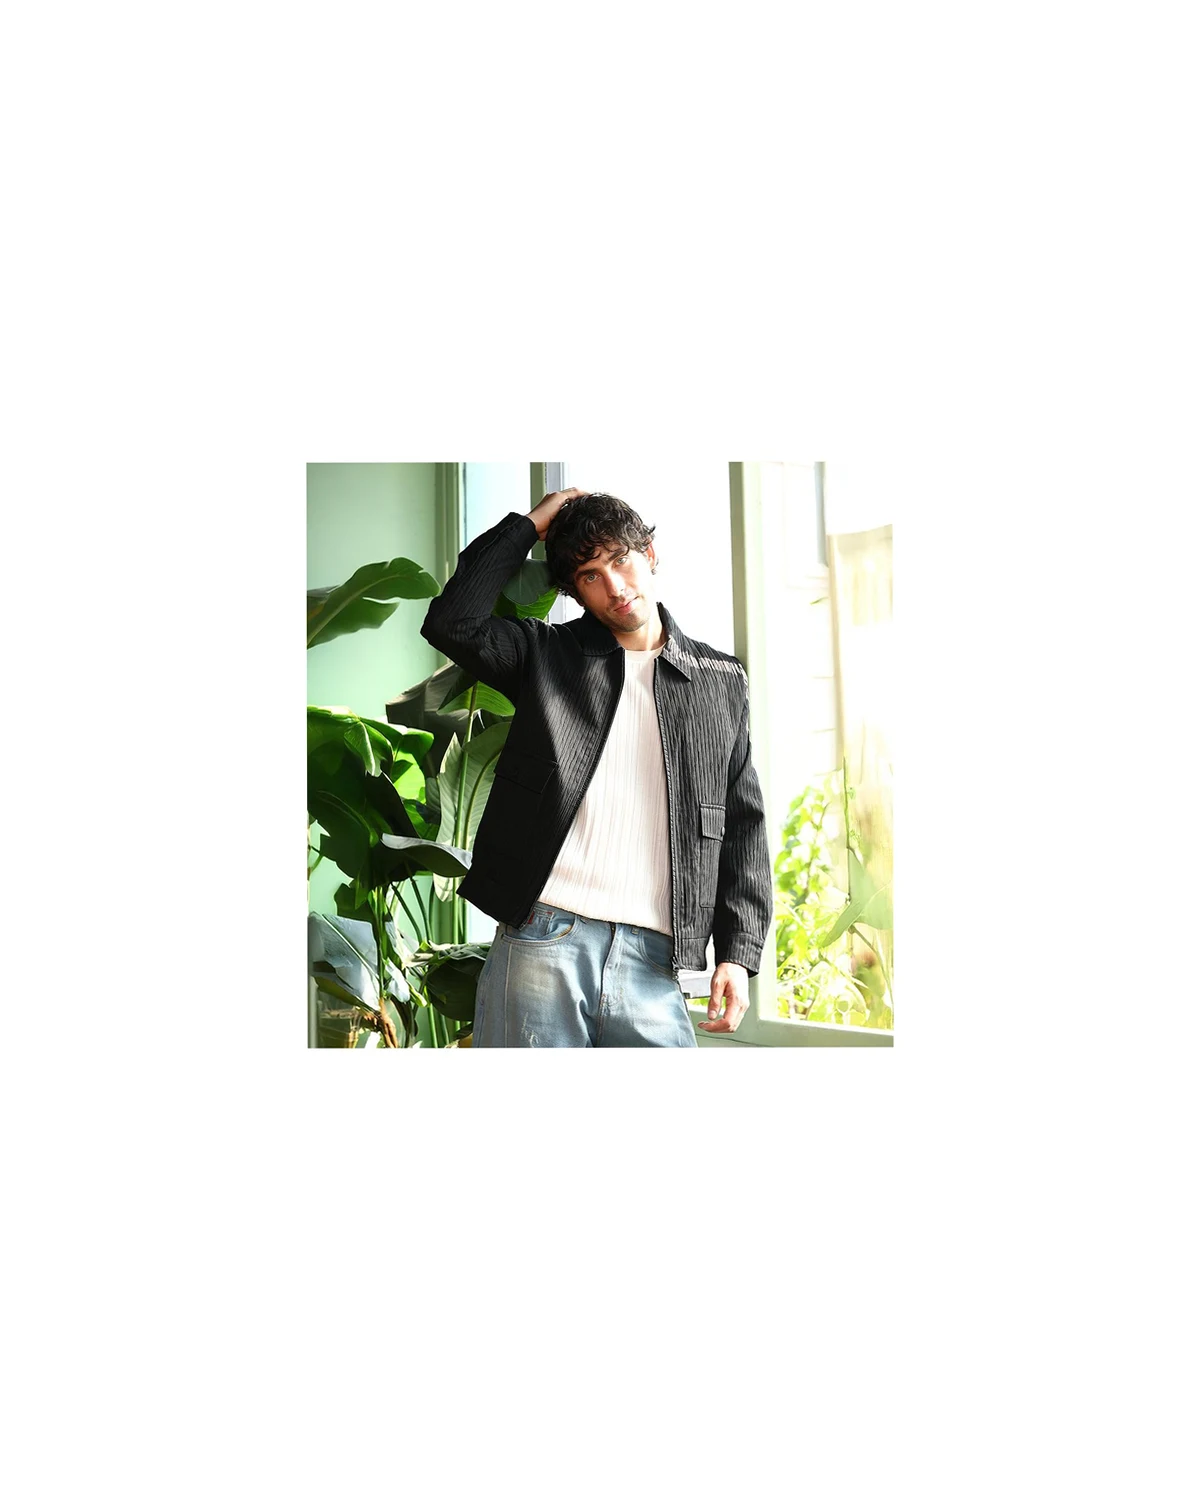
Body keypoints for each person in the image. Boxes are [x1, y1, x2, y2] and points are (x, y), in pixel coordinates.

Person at [420, 487, 773, 1048]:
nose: (615, 587)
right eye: (590, 575)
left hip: (657, 958)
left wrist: (738, 950)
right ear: (575, 591)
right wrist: (531, 524)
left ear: (649, 554)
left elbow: (743, 824)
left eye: (620, 560)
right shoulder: (545, 656)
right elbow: (453, 622)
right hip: (545, 936)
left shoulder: (721, 680)